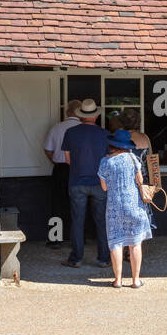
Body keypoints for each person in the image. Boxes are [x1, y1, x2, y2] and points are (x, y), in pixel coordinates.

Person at [97, 129, 153, 288]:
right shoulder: (133, 159)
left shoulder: (105, 162)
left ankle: (118, 280)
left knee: (116, 242)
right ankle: (135, 280)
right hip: (134, 205)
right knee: (135, 243)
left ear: (112, 145)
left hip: (114, 207)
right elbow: (140, 180)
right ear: (126, 146)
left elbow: (104, 188)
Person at [61, 99, 110, 269]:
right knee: (101, 221)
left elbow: (67, 160)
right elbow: (108, 161)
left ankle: (76, 258)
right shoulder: (105, 134)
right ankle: (104, 258)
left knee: (77, 221)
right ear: (96, 115)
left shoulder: (70, 133)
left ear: (81, 115)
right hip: (99, 182)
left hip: (77, 182)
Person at [42, 99, 82, 249]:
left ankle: (55, 239)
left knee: (57, 203)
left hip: (60, 169)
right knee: (79, 203)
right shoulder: (84, 129)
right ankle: (78, 239)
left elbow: (47, 149)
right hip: (79, 170)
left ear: (67, 112)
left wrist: (55, 161)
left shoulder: (56, 128)